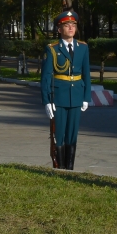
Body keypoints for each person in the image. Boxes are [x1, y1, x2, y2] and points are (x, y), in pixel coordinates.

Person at [41, 9, 90, 170]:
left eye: (73, 25)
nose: (71, 28)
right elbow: (47, 76)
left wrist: (86, 97)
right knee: (59, 135)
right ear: (59, 29)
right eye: (67, 25)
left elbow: (86, 73)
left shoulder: (82, 48)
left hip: (76, 95)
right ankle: (60, 169)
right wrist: (47, 101)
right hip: (59, 97)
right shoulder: (53, 49)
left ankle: (70, 169)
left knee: (72, 134)